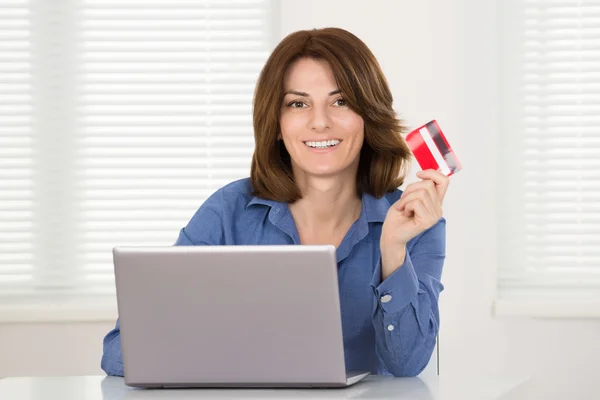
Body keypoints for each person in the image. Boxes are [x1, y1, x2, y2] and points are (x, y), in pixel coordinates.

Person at [101, 27, 449, 378]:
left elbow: (407, 363)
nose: (319, 122)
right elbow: (120, 352)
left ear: (367, 116)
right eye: (298, 104)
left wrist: (393, 251)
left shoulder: (414, 222)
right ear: (278, 125)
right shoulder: (228, 212)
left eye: (340, 101)